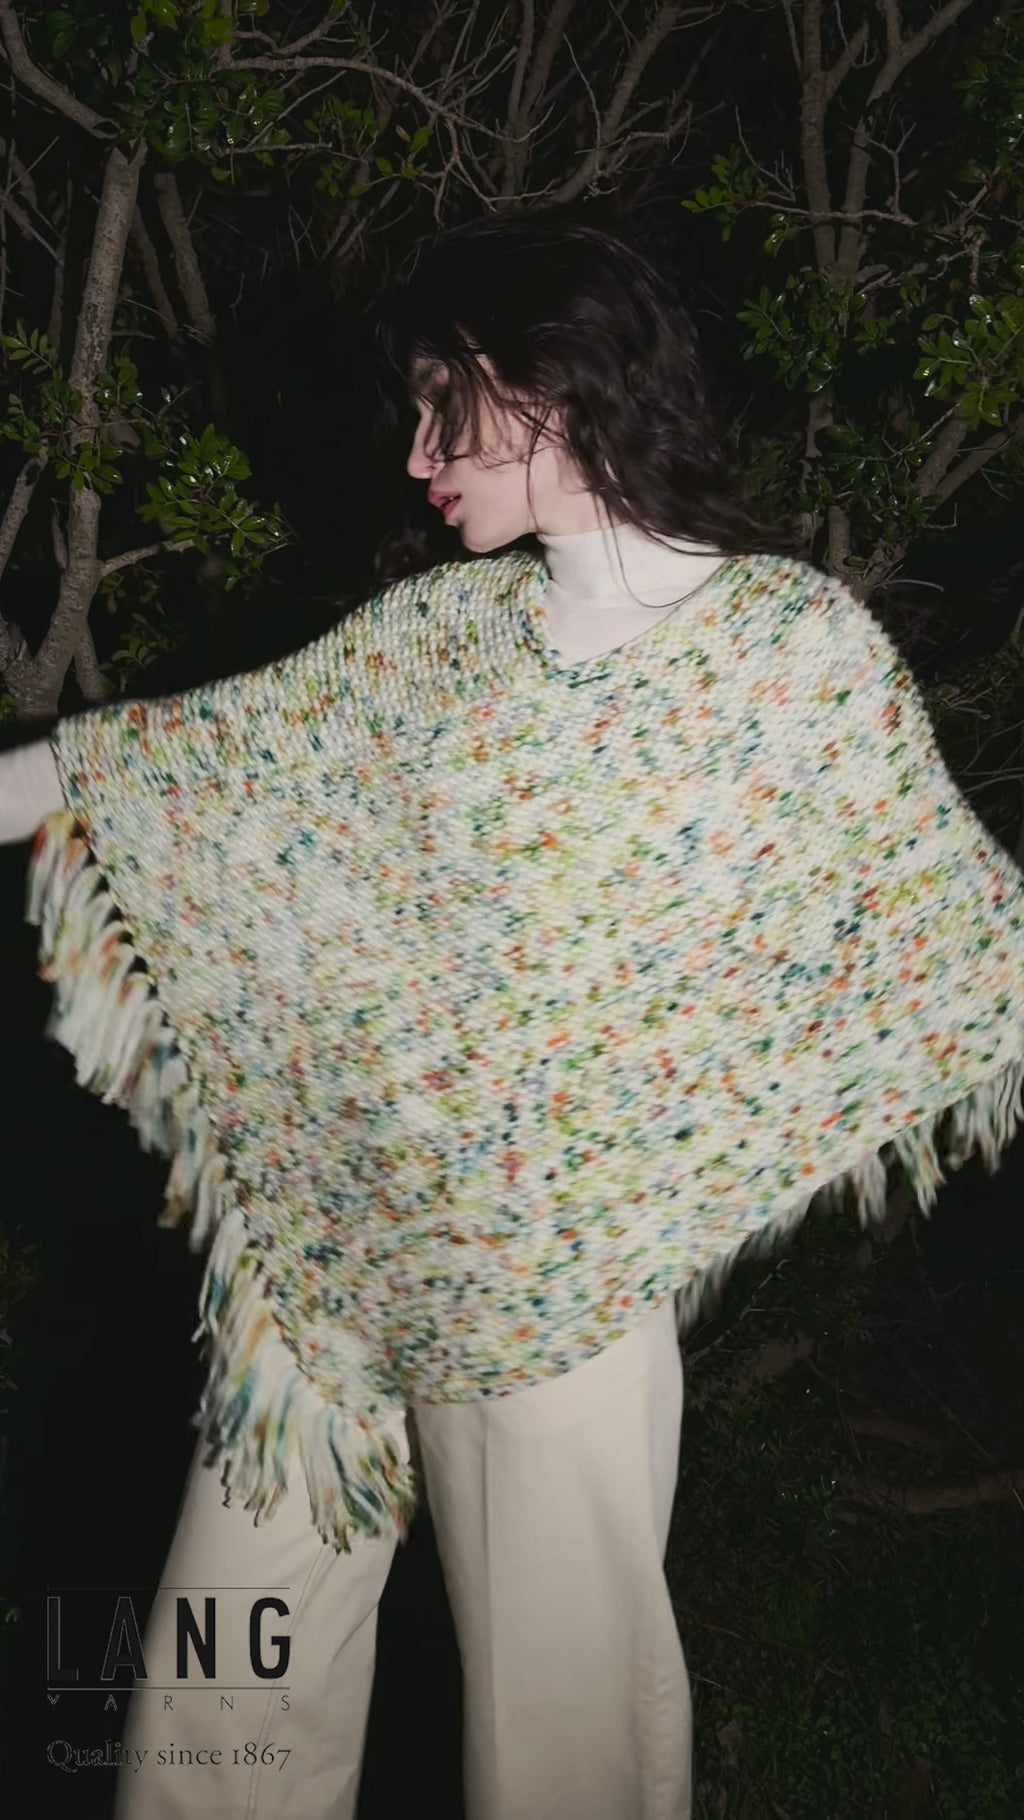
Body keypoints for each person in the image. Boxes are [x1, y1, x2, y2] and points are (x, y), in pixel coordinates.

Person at [3, 211, 1024, 1820]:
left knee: (565, 1737)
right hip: (324, 1256)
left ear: (551, 381)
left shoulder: (788, 651)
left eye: (443, 404)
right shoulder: (439, 639)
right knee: (221, 1707)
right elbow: (168, 765)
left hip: (559, 1276)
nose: (417, 453)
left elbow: (954, 938)